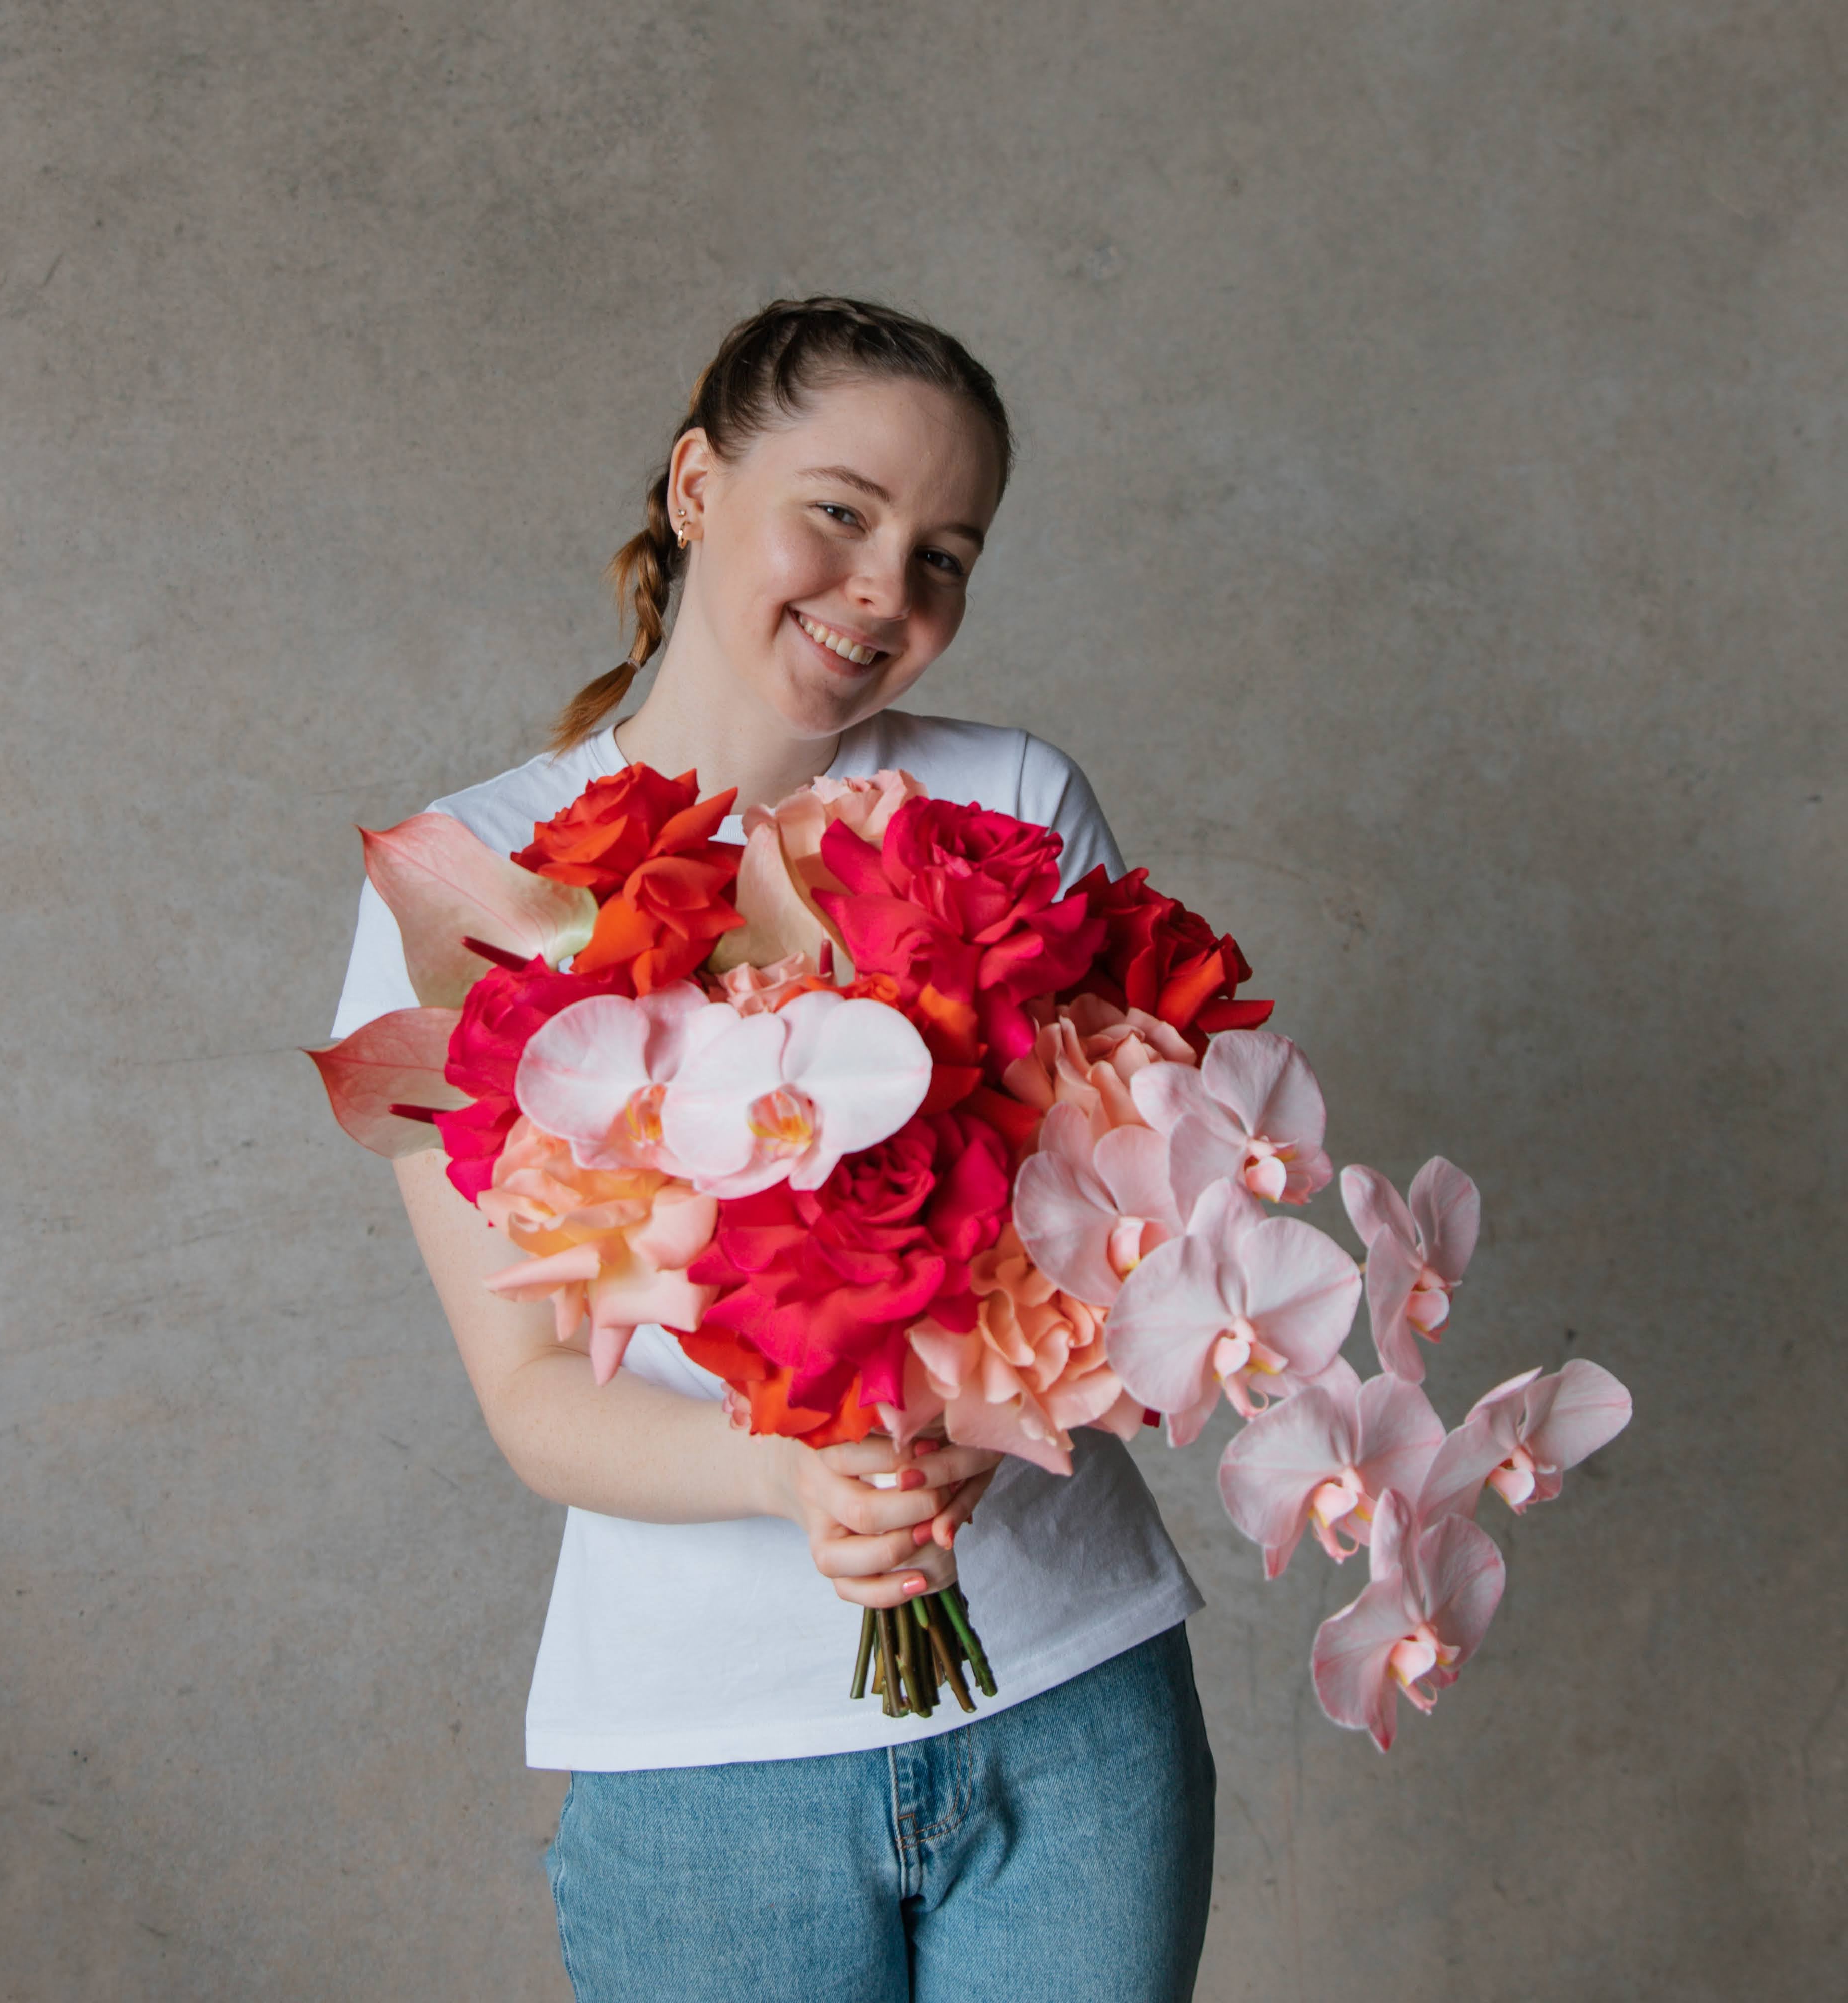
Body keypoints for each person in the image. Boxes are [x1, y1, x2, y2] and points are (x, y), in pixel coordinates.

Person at [332, 297, 1216, 2001]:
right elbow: (530, 1396)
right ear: (693, 487)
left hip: (1073, 1699)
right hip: (706, 1768)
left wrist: (981, 1408)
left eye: (946, 552)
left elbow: (1152, 1225)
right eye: (841, 511)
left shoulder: (1013, 807)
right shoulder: (476, 883)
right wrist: (787, 1476)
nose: (888, 588)